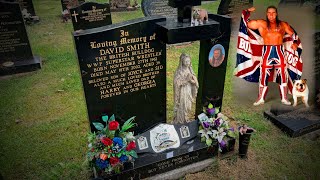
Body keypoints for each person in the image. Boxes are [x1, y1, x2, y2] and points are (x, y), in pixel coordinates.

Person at [245, 6, 300, 106]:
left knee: (283, 74)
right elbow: (247, 24)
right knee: (263, 75)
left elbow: (293, 34)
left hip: (280, 52)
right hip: (267, 52)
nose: (271, 15)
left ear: (276, 13)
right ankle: (261, 98)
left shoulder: (283, 24)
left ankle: (284, 98)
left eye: (273, 13)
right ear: (266, 14)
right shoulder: (261, 23)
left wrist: (295, 43)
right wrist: (247, 12)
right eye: (269, 13)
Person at [173, 54, 199, 124]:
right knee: (182, 105)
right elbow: (176, 82)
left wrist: (192, 81)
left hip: (189, 90)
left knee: (188, 106)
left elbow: (195, 81)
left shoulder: (190, 70)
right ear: (182, 62)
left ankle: (186, 118)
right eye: (186, 61)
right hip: (182, 91)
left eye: (188, 61)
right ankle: (180, 121)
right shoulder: (179, 71)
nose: (187, 63)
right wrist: (186, 80)